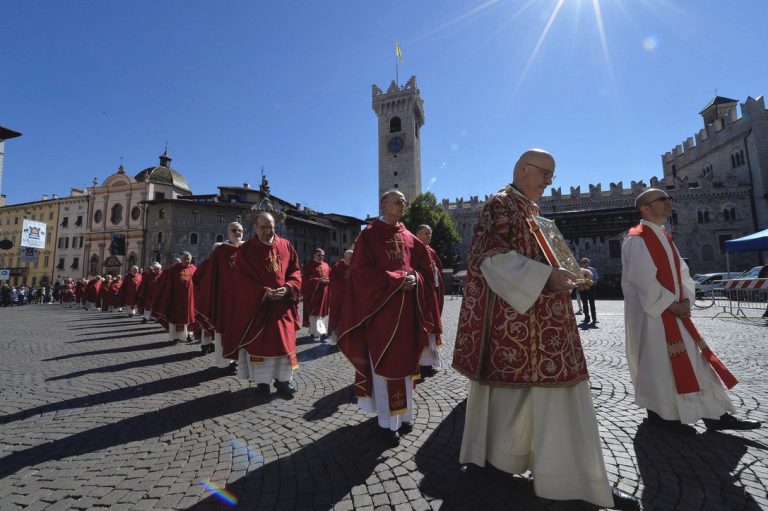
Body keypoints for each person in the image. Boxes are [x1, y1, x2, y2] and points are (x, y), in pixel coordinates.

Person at [452, 149, 636, 509]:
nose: (550, 181)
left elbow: (551, 262)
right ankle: (506, 465)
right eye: (544, 173)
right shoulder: (499, 205)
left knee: (558, 397)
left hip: (550, 321)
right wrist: (547, 276)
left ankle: (574, 477)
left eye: (553, 174)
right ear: (522, 169)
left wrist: (571, 274)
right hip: (517, 326)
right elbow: (489, 259)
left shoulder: (535, 213)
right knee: (517, 402)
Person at [622, 188, 761, 433]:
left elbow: (683, 275)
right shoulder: (637, 238)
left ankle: (716, 414)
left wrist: (686, 299)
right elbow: (642, 279)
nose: (668, 202)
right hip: (655, 317)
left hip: (675, 314)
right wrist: (672, 304)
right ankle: (663, 417)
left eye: (669, 198)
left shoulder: (664, 235)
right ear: (645, 208)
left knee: (697, 363)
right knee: (660, 367)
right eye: (661, 199)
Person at [334, 190, 436, 446]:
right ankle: (387, 422)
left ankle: (404, 416)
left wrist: (416, 279)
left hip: (408, 317)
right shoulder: (369, 236)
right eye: (397, 201)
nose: (403, 205)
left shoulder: (410, 238)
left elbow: (425, 269)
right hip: (381, 316)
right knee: (386, 366)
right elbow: (360, 275)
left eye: (403, 202)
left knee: (407, 366)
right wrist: (397, 280)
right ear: (383, 204)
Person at [225, 212, 302, 399]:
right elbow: (241, 280)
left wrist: (288, 287)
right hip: (259, 309)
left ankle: (283, 381)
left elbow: (296, 271)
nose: (268, 231)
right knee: (261, 347)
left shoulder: (286, 245)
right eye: (263, 227)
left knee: (284, 345)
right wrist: (263, 292)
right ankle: (262, 383)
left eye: (271, 227)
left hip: (282, 307)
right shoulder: (246, 250)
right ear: (255, 227)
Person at [195, 222, 244, 363]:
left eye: (240, 230)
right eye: (234, 230)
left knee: (242, 330)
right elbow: (211, 276)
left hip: (244, 299)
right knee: (224, 330)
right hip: (224, 299)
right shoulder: (220, 252)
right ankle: (225, 362)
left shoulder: (247, 249)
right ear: (228, 233)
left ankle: (241, 363)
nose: (237, 233)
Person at [415, 224, 444, 378]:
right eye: (425, 233)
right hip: (419, 297)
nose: (429, 236)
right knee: (421, 331)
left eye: (430, 233)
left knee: (431, 331)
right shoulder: (413, 250)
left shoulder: (431, 251)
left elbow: (438, 272)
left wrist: (434, 271)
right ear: (417, 234)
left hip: (430, 296)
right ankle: (420, 365)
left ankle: (429, 363)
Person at [154, 252, 197, 344]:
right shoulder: (174, 270)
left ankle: (189, 334)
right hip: (176, 298)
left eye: (188, 259)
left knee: (190, 317)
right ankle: (175, 337)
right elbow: (168, 284)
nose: (186, 260)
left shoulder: (194, 269)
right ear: (181, 259)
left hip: (190, 299)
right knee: (176, 317)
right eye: (185, 258)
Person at [302, 248, 331, 341]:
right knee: (314, 313)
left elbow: (331, 276)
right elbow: (306, 279)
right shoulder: (309, 266)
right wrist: (318, 280)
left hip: (324, 293)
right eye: (319, 255)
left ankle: (312, 332)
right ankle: (320, 332)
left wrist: (329, 280)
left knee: (321, 314)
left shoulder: (326, 265)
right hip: (313, 294)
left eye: (322, 255)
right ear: (314, 255)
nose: (321, 257)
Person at [327, 249, 353, 345]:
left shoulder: (354, 266)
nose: (353, 259)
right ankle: (336, 339)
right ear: (345, 257)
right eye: (351, 257)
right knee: (338, 317)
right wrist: (346, 284)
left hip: (351, 298)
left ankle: (348, 338)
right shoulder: (337, 266)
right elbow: (333, 281)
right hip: (339, 298)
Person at [579, 257, 598, 327]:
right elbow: (577, 279)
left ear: (588, 262)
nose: (584, 263)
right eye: (583, 262)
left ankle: (594, 318)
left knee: (592, 303)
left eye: (586, 261)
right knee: (584, 304)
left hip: (591, 288)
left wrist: (591, 283)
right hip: (582, 288)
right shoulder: (579, 270)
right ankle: (586, 318)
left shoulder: (593, 270)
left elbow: (596, 279)